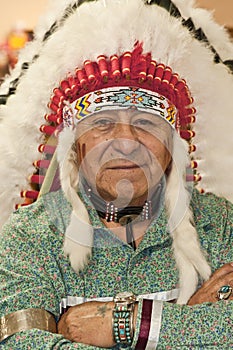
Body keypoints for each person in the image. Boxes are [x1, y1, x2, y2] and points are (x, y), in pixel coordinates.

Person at [0, 0, 233, 348]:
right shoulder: (30, 237)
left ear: (172, 147)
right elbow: (20, 344)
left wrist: (127, 324)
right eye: (103, 124)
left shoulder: (220, 224)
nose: (125, 143)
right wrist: (188, 321)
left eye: (145, 123)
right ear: (76, 148)